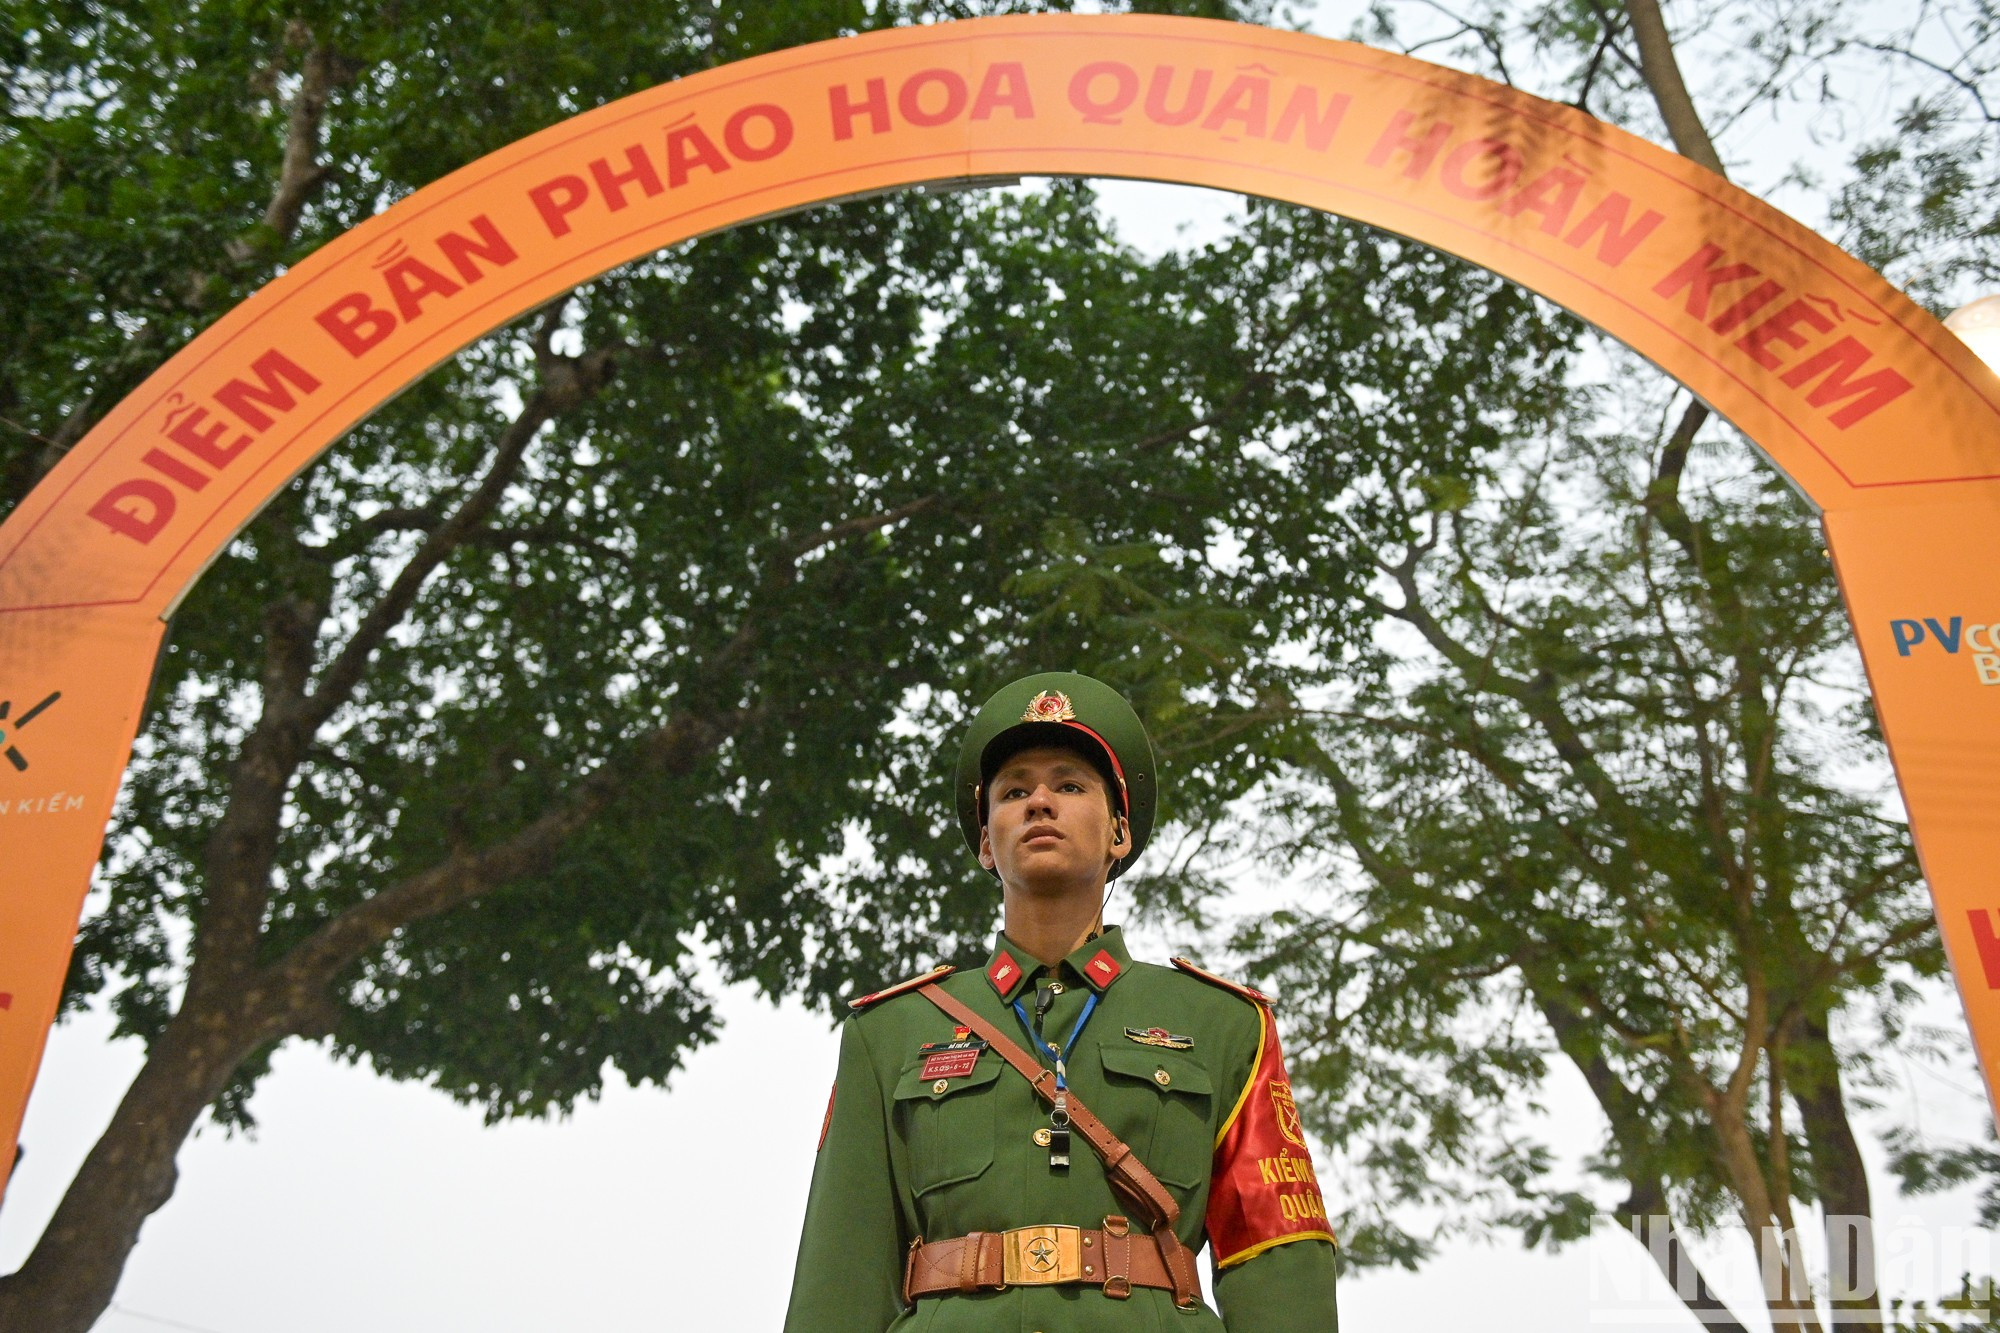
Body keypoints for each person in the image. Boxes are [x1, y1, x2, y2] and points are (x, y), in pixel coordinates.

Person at [783, 671, 1339, 1332]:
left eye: (1070, 785)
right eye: (1014, 790)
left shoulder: (1223, 1023)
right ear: (987, 841)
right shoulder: (891, 1031)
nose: (1039, 801)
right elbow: (841, 1275)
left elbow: (1277, 1266)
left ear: (1118, 833)